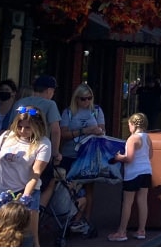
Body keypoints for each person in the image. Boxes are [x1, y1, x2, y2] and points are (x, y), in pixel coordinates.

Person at [0, 106, 52, 247]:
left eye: (28, 128)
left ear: (37, 126)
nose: (23, 131)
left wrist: (25, 198)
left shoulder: (43, 143)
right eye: (20, 126)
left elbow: (35, 172)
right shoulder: (6, 136)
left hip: (25, 192)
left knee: (28, 237)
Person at [59, 83, 105, 232]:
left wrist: (97, 131)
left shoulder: (96, 111)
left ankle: (86, 220)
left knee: (89, 189)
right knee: (68, 188)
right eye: (83, 99)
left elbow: (103, 131)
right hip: (70, 154)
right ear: (76, 99)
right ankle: (70, 219)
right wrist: (84, 131)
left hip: (88, 156)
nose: (86, 102)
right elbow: (63, 134)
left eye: (89, 98)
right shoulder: (68, 113)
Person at [108, 113, 153, 241]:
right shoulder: (147, 137)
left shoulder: (132, 138)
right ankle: (141, 231)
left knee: (127, 202)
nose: (129, 128)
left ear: (133, 124)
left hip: (133, 173)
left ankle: (122, 232)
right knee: (143, 201)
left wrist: (117, 157)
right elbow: (150, 155)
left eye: (129, 125)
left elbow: (129, 158)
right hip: (146, 171)